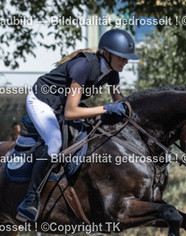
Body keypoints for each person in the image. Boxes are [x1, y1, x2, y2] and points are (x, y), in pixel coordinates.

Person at [17, 28, 139, 222]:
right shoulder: (83, 66)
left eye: (127, 59)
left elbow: (120, 102)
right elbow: (71, 112)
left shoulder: (112, 72)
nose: (125, 62)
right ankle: (30, 199)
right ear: (107, 54)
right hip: (42, 101)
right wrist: (106, 108)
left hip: (62, 104)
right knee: (54, 143)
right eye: (121, 58)